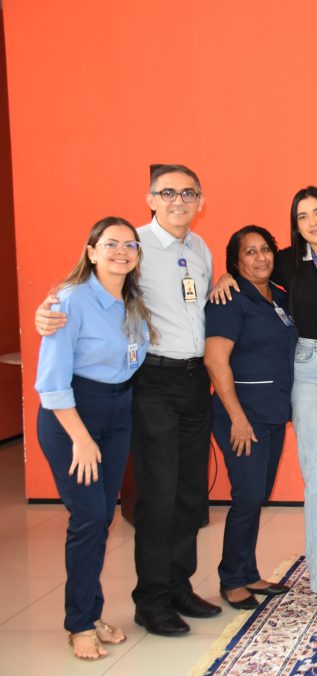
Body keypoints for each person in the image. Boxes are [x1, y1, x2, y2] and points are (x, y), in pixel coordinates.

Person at [36, 164, 220, 636]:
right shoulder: (132, 245)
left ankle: (178, 585)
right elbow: (85, 291)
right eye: (168, 192)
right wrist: (46, 312)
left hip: (195, 379)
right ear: (151, 199)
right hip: (152, 379)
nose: (179, 201)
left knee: (189, 492)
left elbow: (193, 304)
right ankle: (152, 600)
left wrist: (221, 284)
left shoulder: (200, 248)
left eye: (189, 193)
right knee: (158, 494)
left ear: (200, 201)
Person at [210, 186, 317, 616]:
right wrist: (225, 279)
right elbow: (247, 272)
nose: (312, 222)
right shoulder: (288, 261)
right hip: (310, 369)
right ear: (294, 225)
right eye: (301, 216)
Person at [35, 217, 152, 659]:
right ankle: (80, 623)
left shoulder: (133, 301)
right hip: (73, 416)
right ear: (91, 252)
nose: (121, 252)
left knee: (101, 518)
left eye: (130, 245)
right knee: (88, 519)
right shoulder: (70, 300)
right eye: (111, 244)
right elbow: (52, 384)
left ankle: (91, 610)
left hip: (117, 414)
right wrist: (81, 439)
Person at [204, 226, 297, 610]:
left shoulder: (280, 296)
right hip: (241, 416)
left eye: (265, 250)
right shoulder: (228, 299)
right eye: (250, 252)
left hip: (273, 412)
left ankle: (248, 571)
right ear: (236, 261)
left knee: (257, 496)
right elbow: (215, 361)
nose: (260, 258)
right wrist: (238, 419)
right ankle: (231, 579)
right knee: (247, 497)